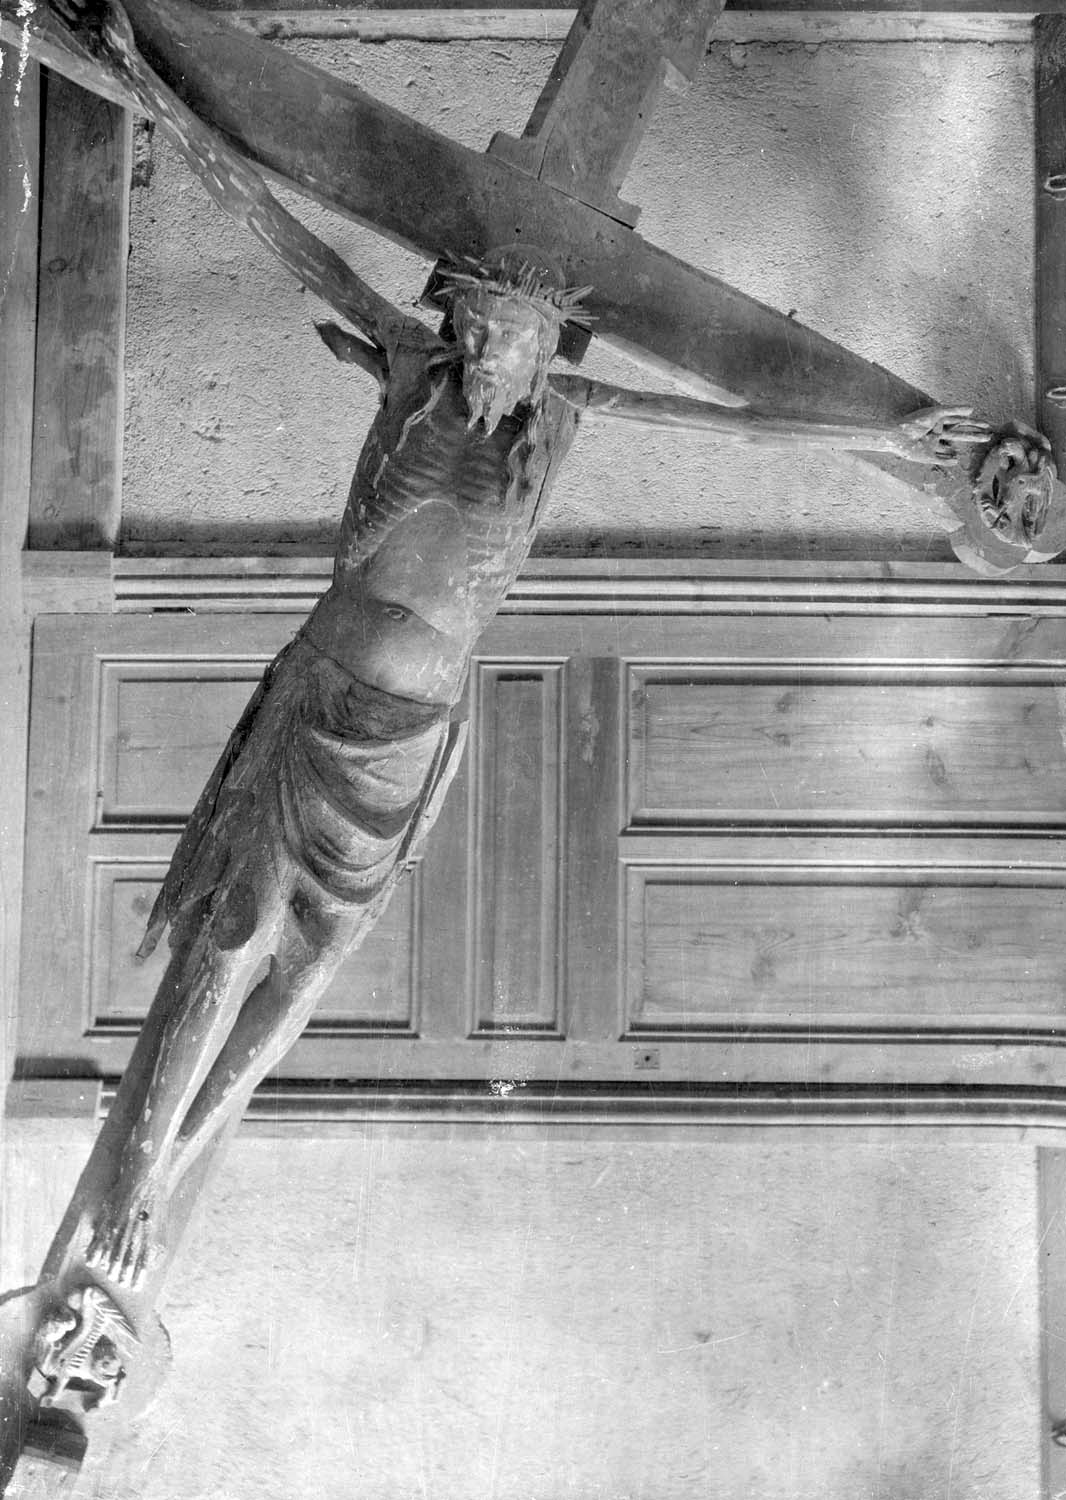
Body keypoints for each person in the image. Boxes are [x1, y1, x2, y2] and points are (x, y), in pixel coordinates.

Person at [59, 0, 1006, 1286]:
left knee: (307, 972)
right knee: (233, 938)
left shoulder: (557, 411)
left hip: (410, 736)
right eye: (477, 325)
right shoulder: (414, 368)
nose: (491, 348)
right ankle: (133, 1177)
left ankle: (167, 1177)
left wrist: (878, 436)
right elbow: (283, 231)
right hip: (325, 695)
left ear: (545, 342)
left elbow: (724, 421)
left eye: (513, 335)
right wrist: (146, 81)